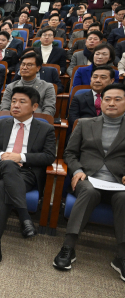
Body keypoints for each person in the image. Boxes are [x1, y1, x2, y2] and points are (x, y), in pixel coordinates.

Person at [0, 86, 57, 265]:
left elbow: (49, 156)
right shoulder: (0, 123)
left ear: (34, 106)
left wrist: (20, 157)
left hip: (26, 173)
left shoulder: (46, 129)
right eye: (13, 101)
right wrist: (3, 155)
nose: (15, 105)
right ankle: (24, 216)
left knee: (3, 186)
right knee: (7, 166)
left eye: (22, 102)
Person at [54, 83, 125, 276]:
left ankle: (122, 256)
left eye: (117, 99)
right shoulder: (85, 124)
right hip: (88, 178)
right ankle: (68, 247)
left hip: (120, 182)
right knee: (89, 191)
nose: (111, 103)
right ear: (100, 102)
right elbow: (69, 153)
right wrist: (77, 169)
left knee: (123, 198)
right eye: (107, 99)